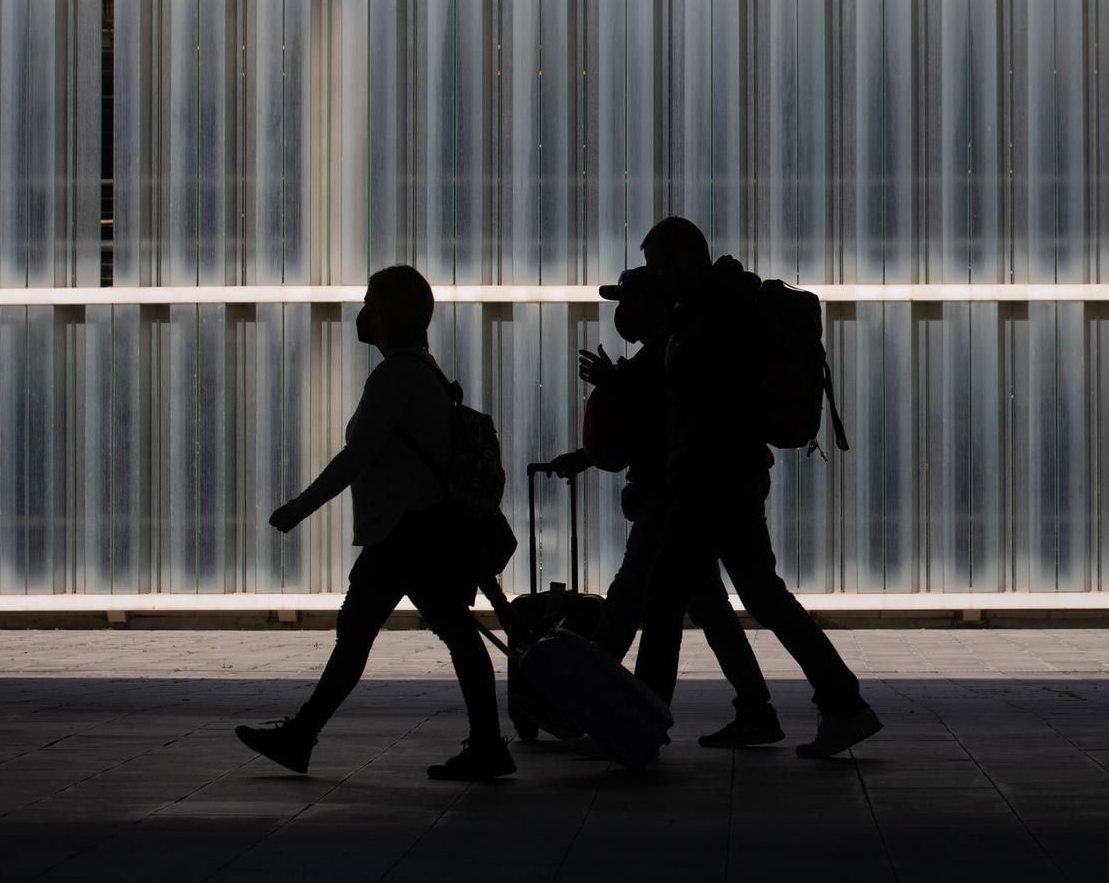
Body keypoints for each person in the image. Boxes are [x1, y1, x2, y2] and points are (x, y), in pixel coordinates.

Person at [234, 266, 514, 782]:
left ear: (388, 314)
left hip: (407, 534)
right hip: (415, 530)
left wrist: (299, 507)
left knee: (392, 634)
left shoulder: (396, 376)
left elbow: (355, 456)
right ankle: (304, 735)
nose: (362, 314)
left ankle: (486, 744)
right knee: (395, 633)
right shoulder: (424, 371)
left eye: (370, 303)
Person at [631, 216, 883, 759]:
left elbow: (703, 404)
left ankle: (640, 725)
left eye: (658, 265)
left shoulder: (712, 314)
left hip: (710, 480)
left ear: (681, 260)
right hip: (731, 476)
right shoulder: (718, 305)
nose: (655, 277)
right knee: (762, 596)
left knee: (663, 594)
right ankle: (843, 702)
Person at [544, 266, 782, 748]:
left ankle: (608, 714)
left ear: (654, 303)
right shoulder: (662, 351)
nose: (621, 314)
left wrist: (613, 385)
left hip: (668, 502)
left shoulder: (669, 352)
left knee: (630, 602)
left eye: (627, 303)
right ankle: (754, 709)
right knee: (707, 610)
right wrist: (586, 456)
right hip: (676, 498)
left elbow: (658, 426)